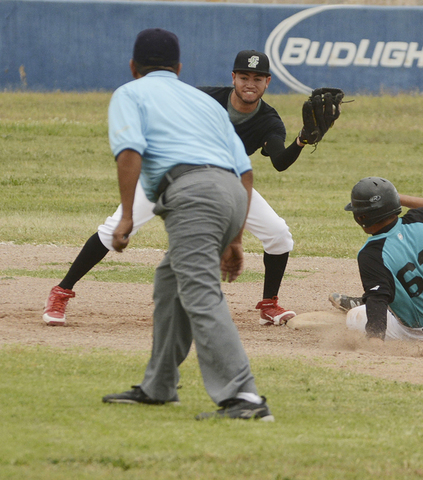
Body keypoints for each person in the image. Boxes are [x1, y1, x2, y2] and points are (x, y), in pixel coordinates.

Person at [43, 49, 313, 327]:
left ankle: (269, 305)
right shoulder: (205, 99)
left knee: (279, 235)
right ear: (233, 77)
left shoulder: (268, 119)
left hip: (225, 183)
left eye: (257, 78)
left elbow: (279, 161)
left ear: (267, 82)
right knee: (116, 229)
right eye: (244, 76)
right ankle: (61, 291)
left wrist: (302, 140)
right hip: (169, 175)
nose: (249, 84)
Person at [100, 28, 273, 421]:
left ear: (133, 67)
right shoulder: (201, 99)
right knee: (170, 283)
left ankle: (244, 397)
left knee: (199, 293)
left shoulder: (130, 92)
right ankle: (159, 386)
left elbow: (129, 152)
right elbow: (245, 173)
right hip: (230, 191)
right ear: (178, 68)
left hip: (193, 195)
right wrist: (236, 239)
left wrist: (127, 215)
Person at [329, 177, 423, 342]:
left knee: (355, 315)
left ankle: (367, 305)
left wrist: (374, 341)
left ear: (360, 218)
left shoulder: (371, 254)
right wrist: (392, 197)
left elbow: (377, 302)